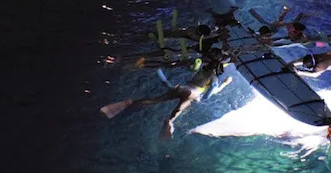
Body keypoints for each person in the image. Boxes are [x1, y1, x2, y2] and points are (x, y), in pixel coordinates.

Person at [99, 48, 234, 140]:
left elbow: (190, 70)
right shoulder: (214, 78)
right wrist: (225, 83)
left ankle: (129, 103)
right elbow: (211, 92)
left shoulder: (202, 69)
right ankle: (169, 122)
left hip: (183, 87)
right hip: (192, 93)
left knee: (155, 100)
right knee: (177, 111)